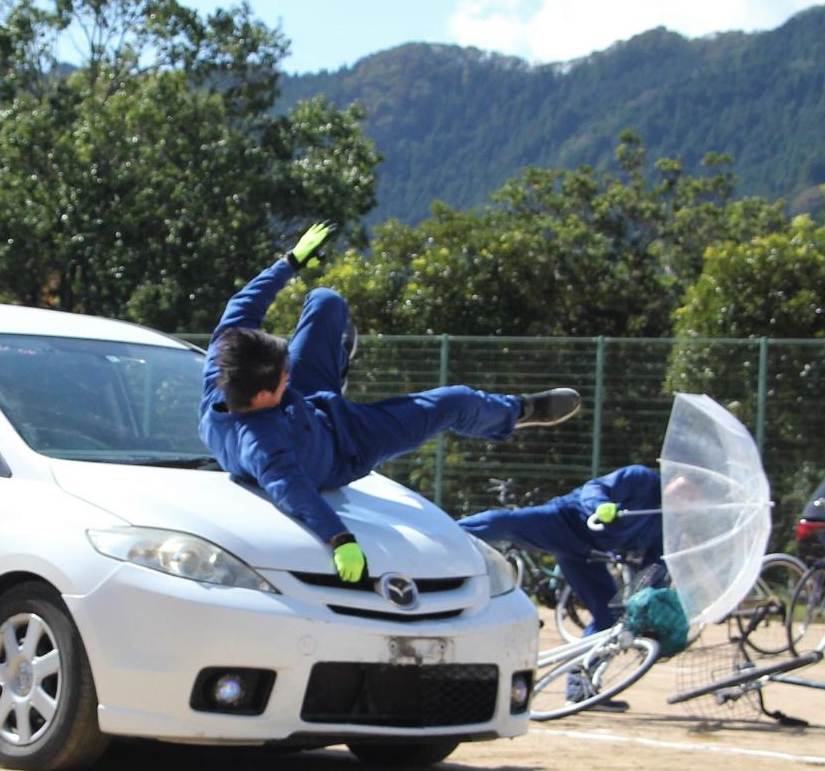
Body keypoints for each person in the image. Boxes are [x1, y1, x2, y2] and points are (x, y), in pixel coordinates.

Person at [200, 222, 581, 584]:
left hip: (308, 403)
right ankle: (516, 413)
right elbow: (294, 492)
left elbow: (243, 304)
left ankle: (335, 365)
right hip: (345, 445)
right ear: (266, 393)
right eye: (285, 373)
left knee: (325, 302)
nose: (288, 370)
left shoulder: (225, 364)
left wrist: (290, 262)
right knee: (455, 401)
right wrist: (340, 540)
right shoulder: (263, 446)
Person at [458, 465, 665, 634]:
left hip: (588, 556)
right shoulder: (642, 478)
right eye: (689, 485)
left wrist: (648, 602)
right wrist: (600, 505)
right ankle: (449, 532)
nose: (688, 494)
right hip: (565, 521)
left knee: (609, 619)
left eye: (695, 494)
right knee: (505, 524)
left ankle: (579, 683)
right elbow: (595, 488)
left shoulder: (663, 521)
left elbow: (653, 568)